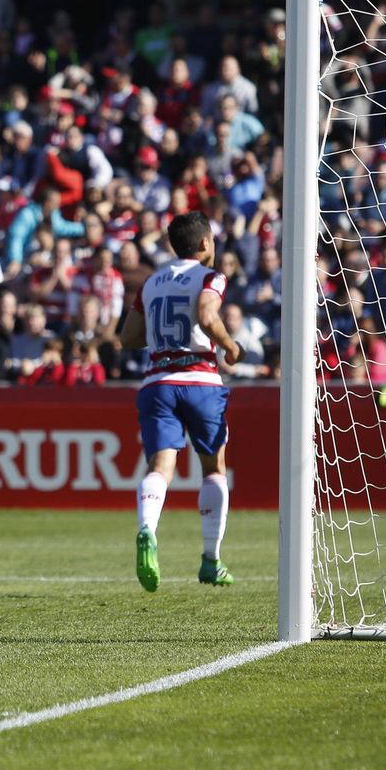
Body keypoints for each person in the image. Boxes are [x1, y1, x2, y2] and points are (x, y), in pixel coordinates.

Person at [117, 211, 243, 592]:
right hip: (200, 379)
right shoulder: (210, 276)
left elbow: (129, 337)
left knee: (161, 465)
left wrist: (161, 331)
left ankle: (146, 528)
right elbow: (206, 314)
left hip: (157, 382)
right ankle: (211, 560)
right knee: (213, 467)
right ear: (205, 244)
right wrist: (230, 345)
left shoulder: (152, 282)